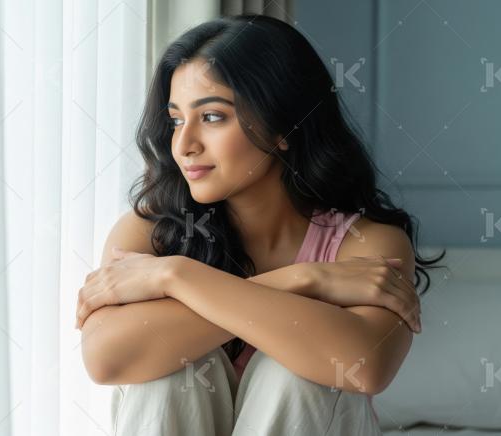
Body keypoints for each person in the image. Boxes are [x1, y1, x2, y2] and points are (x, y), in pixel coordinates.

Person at [75, 14, 446, 435]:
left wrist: (173, 278)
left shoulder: (366, 243)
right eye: (177, 119)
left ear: (282, 127)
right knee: (165, 370)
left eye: (212, 117)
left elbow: (365, 367)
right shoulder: (151, 232)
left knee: (301, 370)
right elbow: (106, 360)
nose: (183, 144)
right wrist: (303, 280)